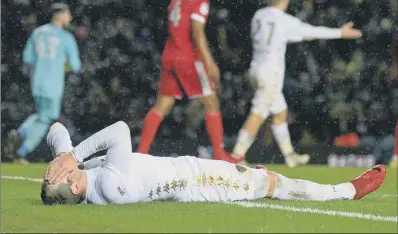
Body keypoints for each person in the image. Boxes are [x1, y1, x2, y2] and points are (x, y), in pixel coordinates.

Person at [42, 121, 386, 205]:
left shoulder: (82, 174)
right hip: (202, 184)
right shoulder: (107, 187)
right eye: (55, 175)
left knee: (259, 178)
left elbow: (56, 129)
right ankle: (346, 190)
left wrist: (63, 154)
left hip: (193, 170)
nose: (54, 170)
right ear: (73, 185)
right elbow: (119, 130)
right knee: (273, 185)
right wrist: (72, 155)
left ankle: (254, 177)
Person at [231, 0, 363, 167]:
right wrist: (340, 32)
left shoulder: (259, 15)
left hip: (256, 67)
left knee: (280, 111)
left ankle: (289, 155)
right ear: (285, 0)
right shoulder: (286, 20)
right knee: (258, 113)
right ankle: (237, 156)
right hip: (271, 71)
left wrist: (297, 35)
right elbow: (312, 32)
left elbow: (268, 36)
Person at [136, 0, 239, 163]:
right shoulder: (201, 1)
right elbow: (197, 33)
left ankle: (141, 153)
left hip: (169, 55)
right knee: (211, 101)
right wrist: (209, 62)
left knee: (162, 105)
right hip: (187, 57)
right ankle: (219, 153)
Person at [4, 3, 82, 164]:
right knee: (47, 118)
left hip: (37, 81)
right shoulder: (66, 37)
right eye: (68, 14)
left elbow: (28, 59)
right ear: (60, 15)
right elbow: (76, 65)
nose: (70, 18)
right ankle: (21, 147)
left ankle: (19, 135)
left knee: (41, 115)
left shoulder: (38, 33)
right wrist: (63, 64)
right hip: (53, 84)